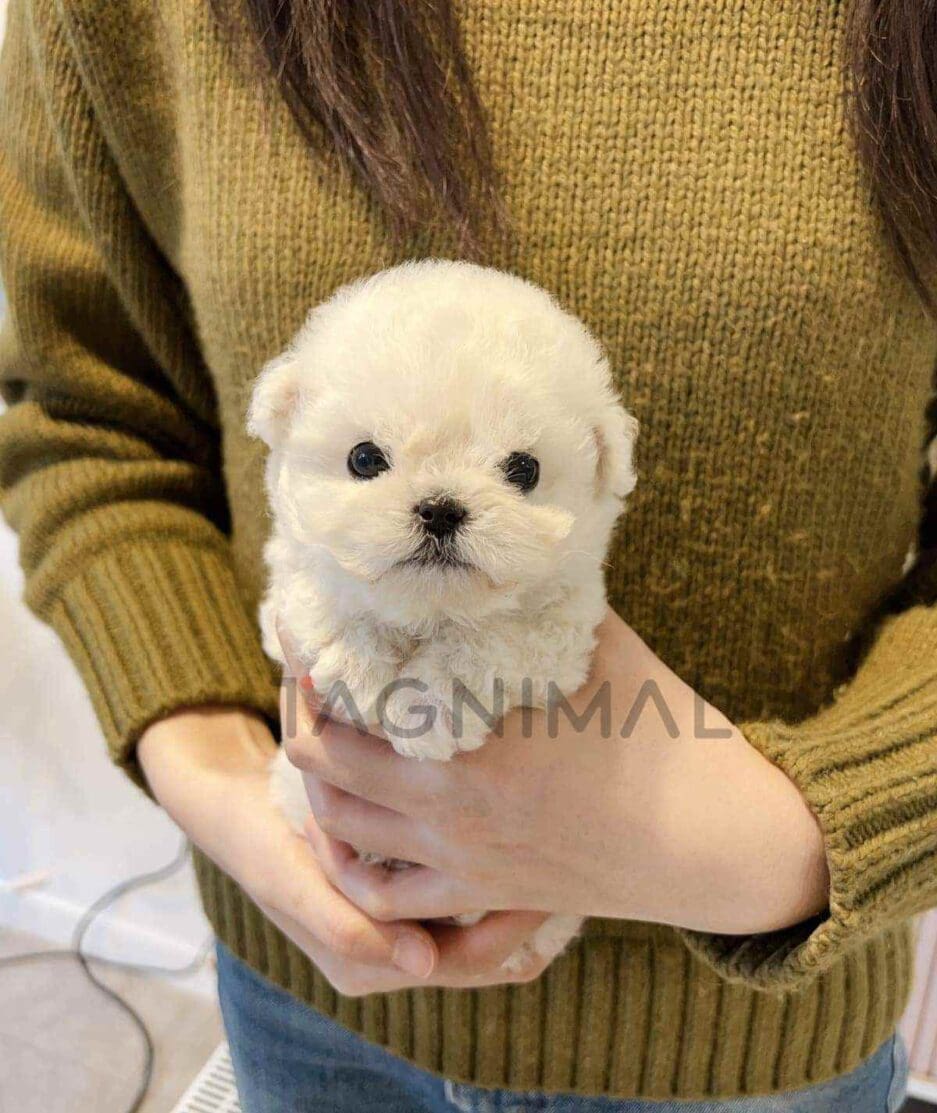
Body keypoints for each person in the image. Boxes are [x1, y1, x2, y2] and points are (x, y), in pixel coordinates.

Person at [0, 1, 933, 1109]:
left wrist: (798, 840)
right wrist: (219, 780)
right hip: (301, 974)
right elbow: (87, 412)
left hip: (760, 1040)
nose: (440, 510)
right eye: (370, 461)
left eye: (519, 472)